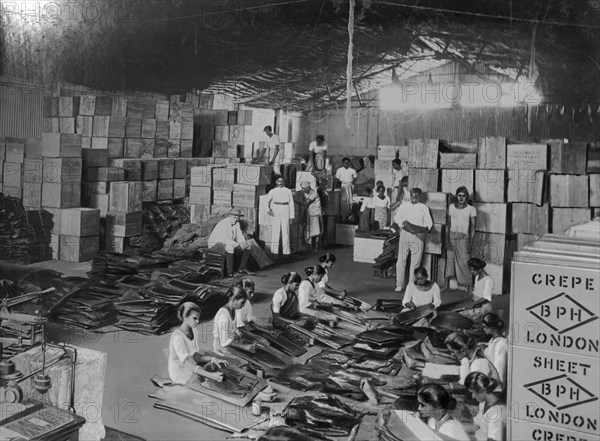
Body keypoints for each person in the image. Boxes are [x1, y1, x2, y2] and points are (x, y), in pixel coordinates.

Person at [168, 302, 228, 385]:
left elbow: (195, 356)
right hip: (181, 372)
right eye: (194, 318)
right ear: (185, 317)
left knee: (219, 374)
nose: (198, 321)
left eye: (198, 318)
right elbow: (186, 363)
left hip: (192, 366)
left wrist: (213, 359)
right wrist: (212, 376)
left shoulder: (194, 331)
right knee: (210, 384)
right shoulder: (178, 337)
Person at [393, 187, 433, 293]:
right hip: (405, 234)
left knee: (415, 262)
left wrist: (419, 230)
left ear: (420, 196)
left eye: (416, 195)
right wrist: (404, 225)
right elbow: (397, 218)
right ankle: (399, 284)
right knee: (401, 260)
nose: (414, 197)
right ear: (410, 195)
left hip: (418, 236)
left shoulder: (424, 207)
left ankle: (411, 285)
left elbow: (429, 224)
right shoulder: (404, 205)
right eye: (412, 195)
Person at [446, 187, 477, 290]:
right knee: (450, 261)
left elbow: (473, 228)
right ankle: (446, 285)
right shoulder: (451, 207)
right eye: (459, 195)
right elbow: (448, 224)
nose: (461, 198)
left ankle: (470, 286)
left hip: (463, 238)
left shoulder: (471, 209)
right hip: (451, 236)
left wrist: (470, 243)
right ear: (456, 196)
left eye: (463, 196)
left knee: (465, 262)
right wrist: (447, 240)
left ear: (467, 197)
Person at [207, 208, 252, 277]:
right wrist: (237, 244)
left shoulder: (237, 224)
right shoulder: (223, 223)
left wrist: (243, 242)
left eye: (238, 218)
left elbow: (239, 235)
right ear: (230, 216)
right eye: (234, 217)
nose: (236, 219)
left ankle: (241, 268)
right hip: (215, 245)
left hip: (225, 244)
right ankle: (229, 272)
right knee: (230, 247)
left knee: (248, 245)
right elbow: (225, 239)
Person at [213, 287, 256, 355]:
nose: (243, 305)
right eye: (242, 302)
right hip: (222, 348)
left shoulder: (233, 310)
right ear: (234, 300)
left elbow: (232, 328)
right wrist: (244, 346)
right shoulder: (223, 316)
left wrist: (237, 332)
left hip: (231, 342)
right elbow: (224, 342)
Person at [465, 372, 507, 441]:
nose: (472, 396)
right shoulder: (483, 404)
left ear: (482, 391)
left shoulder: (496, 414)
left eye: (473, 392)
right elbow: (477, 426)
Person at [267, 176, 295, 255]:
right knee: (275, 230)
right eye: (279, 181)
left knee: (285, 230)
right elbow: (266, 201)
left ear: (284, 182)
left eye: (282, 181)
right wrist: (268, 210)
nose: (281, 183)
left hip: (285, 209)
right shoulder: (272, 191)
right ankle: (274, 251)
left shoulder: (288, 191)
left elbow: (291, 204)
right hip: (276, 209)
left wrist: (291, 217)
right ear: (276, 182)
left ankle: (286, 252)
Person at [481, 313, 508, 389]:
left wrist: (498, 388)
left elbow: (500, 368)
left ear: (492, 327)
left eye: (484, 327)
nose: (483, 329)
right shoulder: (492, 340)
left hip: (497, 384)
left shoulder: (502, 342)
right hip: (491, 380)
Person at [299, 180, 323, 252]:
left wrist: (294, 200)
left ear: (308, 187)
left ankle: (316, 248)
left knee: (316, 232)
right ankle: (311, 248)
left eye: (304, 188)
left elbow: (306, 204)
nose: (303, 190)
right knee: (309, 232)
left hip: (316, 214)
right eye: (302, 188)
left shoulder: (314, 193)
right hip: (309, 214)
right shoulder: (305, 193)